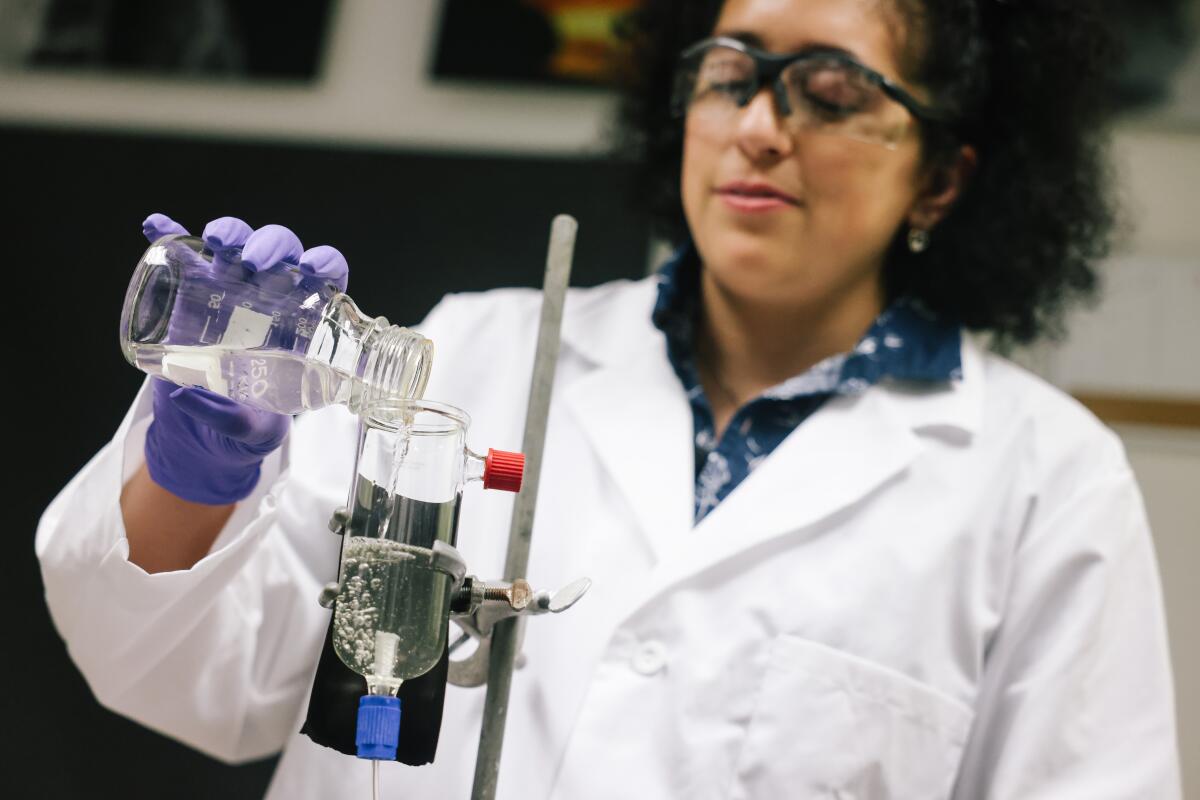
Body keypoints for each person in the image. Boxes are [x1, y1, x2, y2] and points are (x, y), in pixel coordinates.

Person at [37, 0, 1181, 797]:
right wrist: (200, 473)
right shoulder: (477, 348)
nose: (758, 127)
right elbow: (193, 678)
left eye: (830, 94)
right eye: (729, 76)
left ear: (942, 173)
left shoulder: (1042, 478)